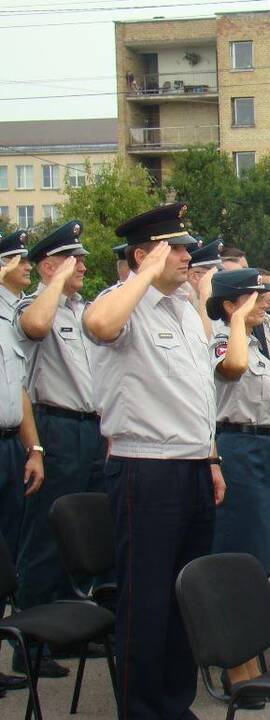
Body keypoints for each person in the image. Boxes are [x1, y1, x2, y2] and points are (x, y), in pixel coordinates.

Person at [83, 202, 224, 720]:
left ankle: (172, 703)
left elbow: (195, 394)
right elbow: (98, 324)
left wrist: (210, 458)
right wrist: (140, 274)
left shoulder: (183, 309)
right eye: (177, 247)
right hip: (146, 468)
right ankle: (141, 710)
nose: (189, 256)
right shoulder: (120, 304)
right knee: (145, 601)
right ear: (145, 255)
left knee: (183, 598)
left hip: (189, 466)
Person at [13, 221, 106, 678]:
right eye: (74, 259)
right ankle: (30, 644)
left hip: (90, 429)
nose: (84, 266)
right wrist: (51, 281)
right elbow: (33, 327)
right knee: (47, 537)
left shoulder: (80, 310)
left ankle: (69, 631)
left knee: (80, 539)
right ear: (50, 265)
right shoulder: (38, 306)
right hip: (56, 426)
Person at [207, 269, 270, 572]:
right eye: (253, 295)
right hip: (238, 448)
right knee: (239, 539)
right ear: (229, 305)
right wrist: (238, 319)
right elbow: (233, 367)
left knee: (261, 541)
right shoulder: (222, 341)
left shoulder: (258, 348)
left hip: (264, 448)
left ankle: (254, 608)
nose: (264, 300)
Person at [0, 254, 44, 697]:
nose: (26, 264)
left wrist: (33, 448)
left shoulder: (8, 317)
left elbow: (19, 392)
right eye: (15, 258)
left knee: (8, 552)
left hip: (9, 444)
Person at [1, 230, 32, 316]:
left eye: (29, 262)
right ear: (2, 265)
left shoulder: (32, 304)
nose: (29, 267)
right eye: (21, 262)